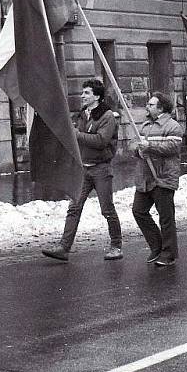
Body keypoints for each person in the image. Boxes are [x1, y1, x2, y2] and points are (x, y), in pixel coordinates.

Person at [42, 79, 122, 262]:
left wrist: (76, 134)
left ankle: (116, 246)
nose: (82, 96)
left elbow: (101, 141)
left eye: (86, 93)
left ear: (97, 96)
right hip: (83, 169)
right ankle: (64, 247)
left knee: (107, 209)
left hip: (101, 169)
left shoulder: (107, 116)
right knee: (74, 208)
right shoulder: (83, 115)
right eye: (83, 92)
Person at [130, 92, 183, 266]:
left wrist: (150, 146)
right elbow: (132, 145)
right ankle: (157, 245)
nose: (147, 106)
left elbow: (173, 146)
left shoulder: (172, 126)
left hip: (163, 176)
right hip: (146, 178)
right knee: (139, 211)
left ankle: (168, 254)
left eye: (151, 105)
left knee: (166, 217)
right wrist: (138, 150)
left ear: (161, 108)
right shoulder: (145, 126)